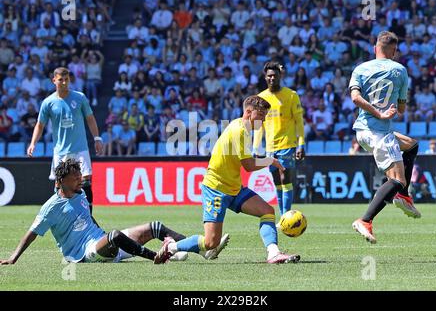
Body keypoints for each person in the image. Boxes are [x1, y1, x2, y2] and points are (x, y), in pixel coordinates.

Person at [155, 96, 300, 264]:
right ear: (248, 112)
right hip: (216, 189)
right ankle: (171, 247)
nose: (263, 119)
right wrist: (271, 160)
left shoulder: (243, 128)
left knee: (267, 211)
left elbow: (246, 161)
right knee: (211, 242)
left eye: (265, 116)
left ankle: (273, 253)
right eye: (261, 114)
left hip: (234, 187)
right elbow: (248, 165)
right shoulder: (239, 130)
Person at [0, 159, 189, 265]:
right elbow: (31, 234)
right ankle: (156, 257)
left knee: (155, 227)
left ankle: (198, 245)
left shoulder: (80, 193)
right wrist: (12, 258)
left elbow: (88, 217)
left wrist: (103, 237)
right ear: (62, 181)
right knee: (115, 236)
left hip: (103, 243)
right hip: (83, 253)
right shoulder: (51, 208)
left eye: (80, 176)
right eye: (76, 178)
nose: (80, 180)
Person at [349, 31, 421, 244]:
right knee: (397, 179)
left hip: (362, 131)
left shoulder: (360, 69)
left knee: (411, 145)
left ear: (375, 48)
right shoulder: (400, 70)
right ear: (394, 50)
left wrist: (375, 112)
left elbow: (355, 97)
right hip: (379, 133)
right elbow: (400, 109)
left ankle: (403, 195)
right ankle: (365, 220)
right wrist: (381, 113)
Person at [27, 67, 103, 214]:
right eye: (60, 79)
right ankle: (60, 216)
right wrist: (33, 143)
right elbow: (40, 125)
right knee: (59, 183)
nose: (63, 82)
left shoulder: (79, 97)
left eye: (66, 79)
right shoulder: (48, 102)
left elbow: (90, 118)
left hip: (80, 148)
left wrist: (97, 138)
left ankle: (89, 216)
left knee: (85, 180)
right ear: (54, 80)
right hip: (61, 150)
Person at [255, 61, 306, 215]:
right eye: (269, 76)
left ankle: (285, 216)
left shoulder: (291, 95)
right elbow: (259, 125)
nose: (272, 78)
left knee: (286, 179)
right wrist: (257, 147)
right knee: (277, 181)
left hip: (287, 144)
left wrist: (301, 144)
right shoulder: (261, 98)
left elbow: (299, 122)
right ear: (265, 77)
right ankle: (283, 216)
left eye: (275, 76)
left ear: (280, 76)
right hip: (270, 147)